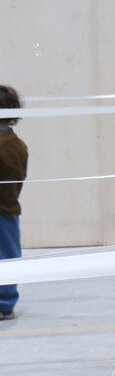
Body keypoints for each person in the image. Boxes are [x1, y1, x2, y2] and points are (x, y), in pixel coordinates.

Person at [0, 85, 28, 321]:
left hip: (3, 207)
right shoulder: (16, 143)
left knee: (6, 255)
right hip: (8, 207)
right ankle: (4, 301)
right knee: (8, 254)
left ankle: (3, 302)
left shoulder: (6, 144)